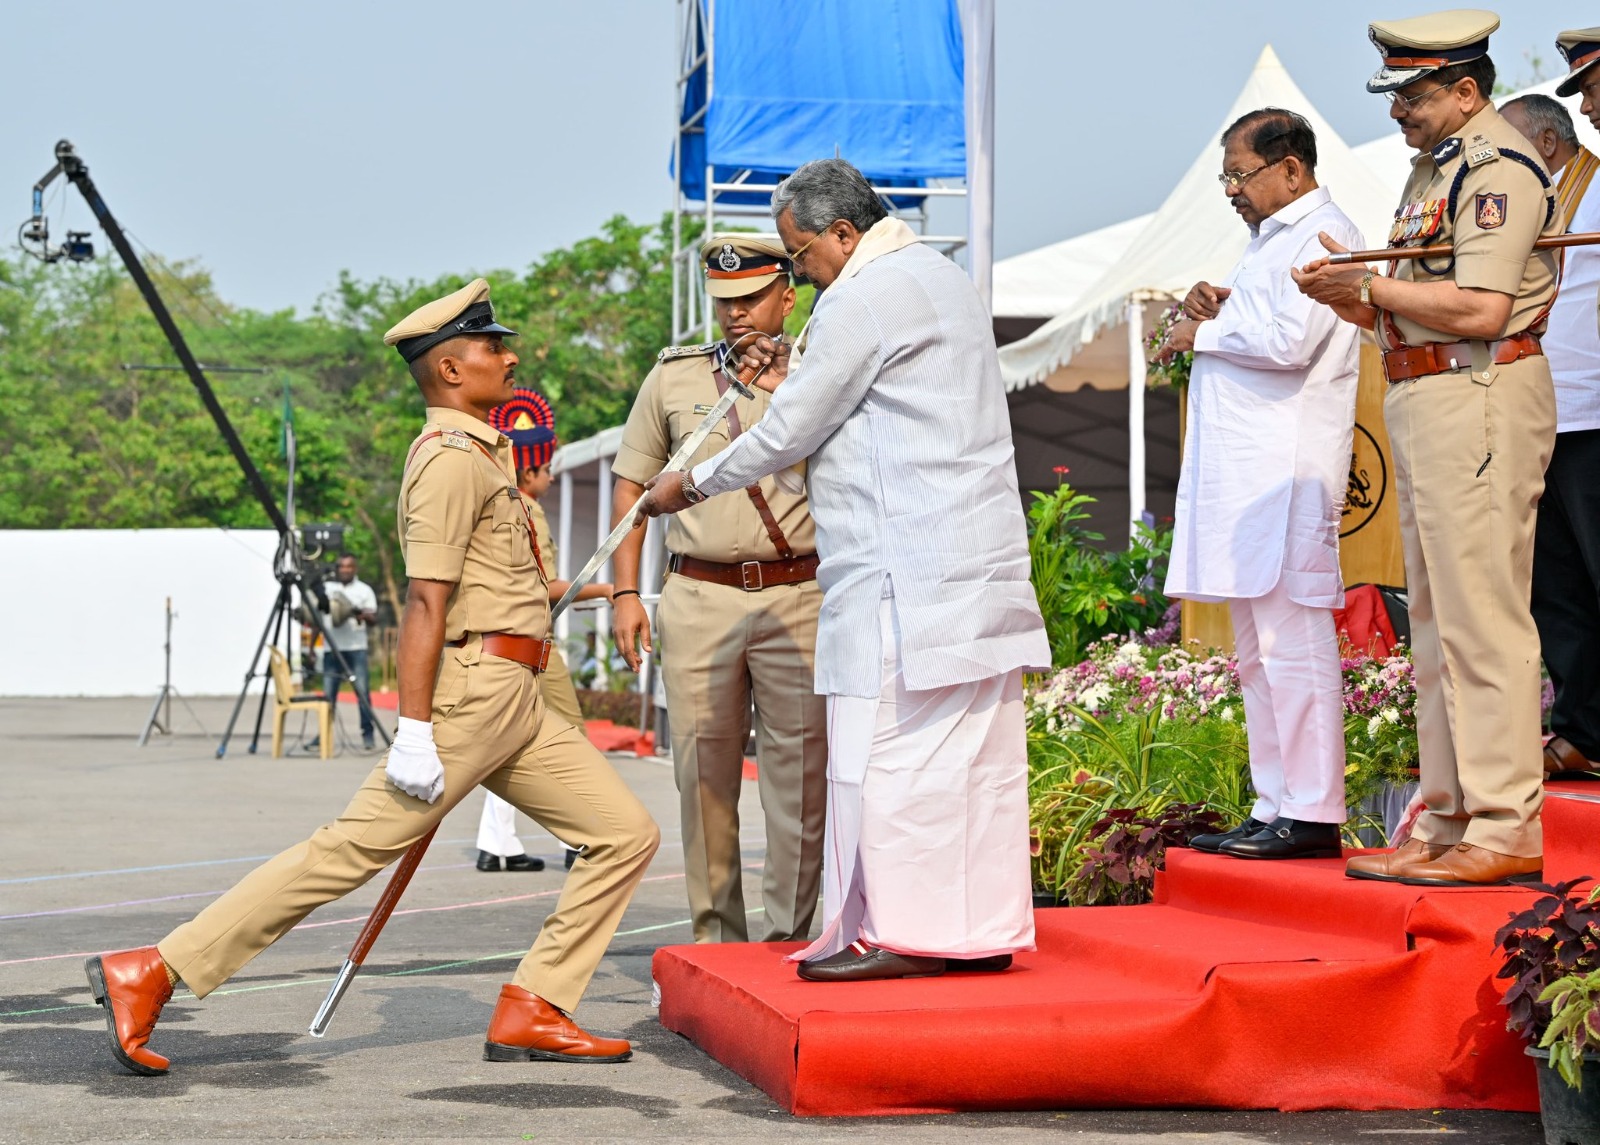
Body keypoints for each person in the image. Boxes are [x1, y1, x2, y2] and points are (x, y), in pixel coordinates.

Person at [83, 279, 659, 1075]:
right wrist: (415, 731)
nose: (509, 356)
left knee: (625, 834)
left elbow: (505, 587)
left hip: (521, 698)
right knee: (349, 850)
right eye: (492, 345)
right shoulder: (447, 461)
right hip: (475, 694)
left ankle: (536, 1003)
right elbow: (425, 601)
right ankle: (152, 969)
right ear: (450, 369)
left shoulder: (484, 454)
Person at [636, 160, 1051, 981]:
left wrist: (691, 482)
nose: (799, 273)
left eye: (799, 254)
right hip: (966, 566)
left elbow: (789, 428)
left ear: (843, 232)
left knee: (886, 758)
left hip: (904, 573)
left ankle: (901, 932)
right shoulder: (943, 278)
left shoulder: (860, 296)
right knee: (974, 763)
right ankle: (976, 931)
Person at [1294, 10, 1560, 886]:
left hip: (1478, 391)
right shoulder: (1433, 169)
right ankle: (1447, 818)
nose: (1397, 111)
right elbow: (1416, 305)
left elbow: (1483, 307)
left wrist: (1370, 287)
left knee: (1482, 617)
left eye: (1411, 95)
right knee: (1439, 625)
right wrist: (1355, 297)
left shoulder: (1497, 169)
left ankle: (1505, 822)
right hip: (1426, 388)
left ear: (1466, 90)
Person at [1157, 109, 1364, 860]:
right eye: (1226, 177)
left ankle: (1312, 812)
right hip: (1250, 480)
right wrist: (1217, 306)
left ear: (1291, 169)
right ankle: (1273, 802)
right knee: (1257, 653)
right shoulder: (1270, 241)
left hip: (1286, 474)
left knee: (1293, 646)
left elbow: (1291, 340)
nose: (1230, 191)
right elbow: (1263, 322)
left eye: (1238, 175)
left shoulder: (1323, 233)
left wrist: (1202, 333)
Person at [609, 234, 827, 944]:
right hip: (698, 594)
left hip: (799, 593)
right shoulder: (673, 377)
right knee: (703, 777)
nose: (736, 312)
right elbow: (631, 486)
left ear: (787, 298)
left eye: (752, 298)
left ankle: (789, 939)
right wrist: (625, 593)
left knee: (801, 779)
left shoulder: (823, 373)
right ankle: (717, 944)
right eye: (724, 300)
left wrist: (787, 387)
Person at [1504, 52, 1600, 778]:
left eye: (1594, 90)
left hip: (1595, 412)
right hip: (1541, 413)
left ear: (1543, 142)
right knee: (1556, 587)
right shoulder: (1531, 202)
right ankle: (1582, 728)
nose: (1589, 106)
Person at [475, 388, 613, 873]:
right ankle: (582, 836)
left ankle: (497, 844)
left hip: (502, 639)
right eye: (547, 468)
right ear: (529, 470)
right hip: (531, 642)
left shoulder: (499, 502)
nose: (552, 477)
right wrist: (607, 590)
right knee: (571, 738)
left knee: (508, 745)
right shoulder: (527, 510)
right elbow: (545, 587)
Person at [318, 554, 379, 751]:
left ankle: (368, 735)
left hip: (355, 649)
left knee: (362, 694)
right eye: (341, 566)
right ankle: (323, 736)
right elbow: (319, 619)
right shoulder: (327, 588)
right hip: (331, 649)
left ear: (355, 568)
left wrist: (358, 613)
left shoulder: (364, 590)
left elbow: (373, 619)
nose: (345, 570)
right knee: (328, 696)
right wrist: (311, 648)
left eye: (349, 566)